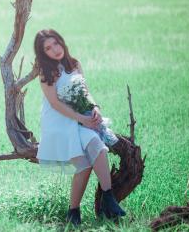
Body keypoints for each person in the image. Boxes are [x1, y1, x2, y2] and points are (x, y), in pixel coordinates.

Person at [33, 29, 126, 226]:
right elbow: (55, 104)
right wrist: (81, 119)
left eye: (56, 43)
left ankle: (108, 199)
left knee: (98, 146)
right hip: (57, 122)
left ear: (62, 42)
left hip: (77, 119)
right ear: (43, 54)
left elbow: (85, 92)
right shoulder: (46, 72)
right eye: (48, 48)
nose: (54, 50)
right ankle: (73, 212)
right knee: (83, 166)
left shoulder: (74, 64)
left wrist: (94, 108)